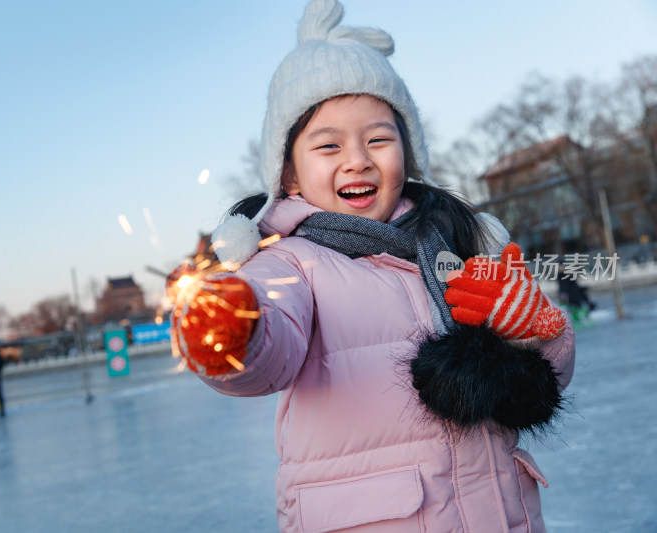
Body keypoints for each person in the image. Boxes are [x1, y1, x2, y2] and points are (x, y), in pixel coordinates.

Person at [167, 1, 576, 531]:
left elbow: (549, 382)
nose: (357, 158)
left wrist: (539, 333)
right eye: (329, 144)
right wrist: (232, 328)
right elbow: (271, 348)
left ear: (408, 154)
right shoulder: (287, 263)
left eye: (378, 139)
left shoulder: (456, 246)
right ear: (289, 176)